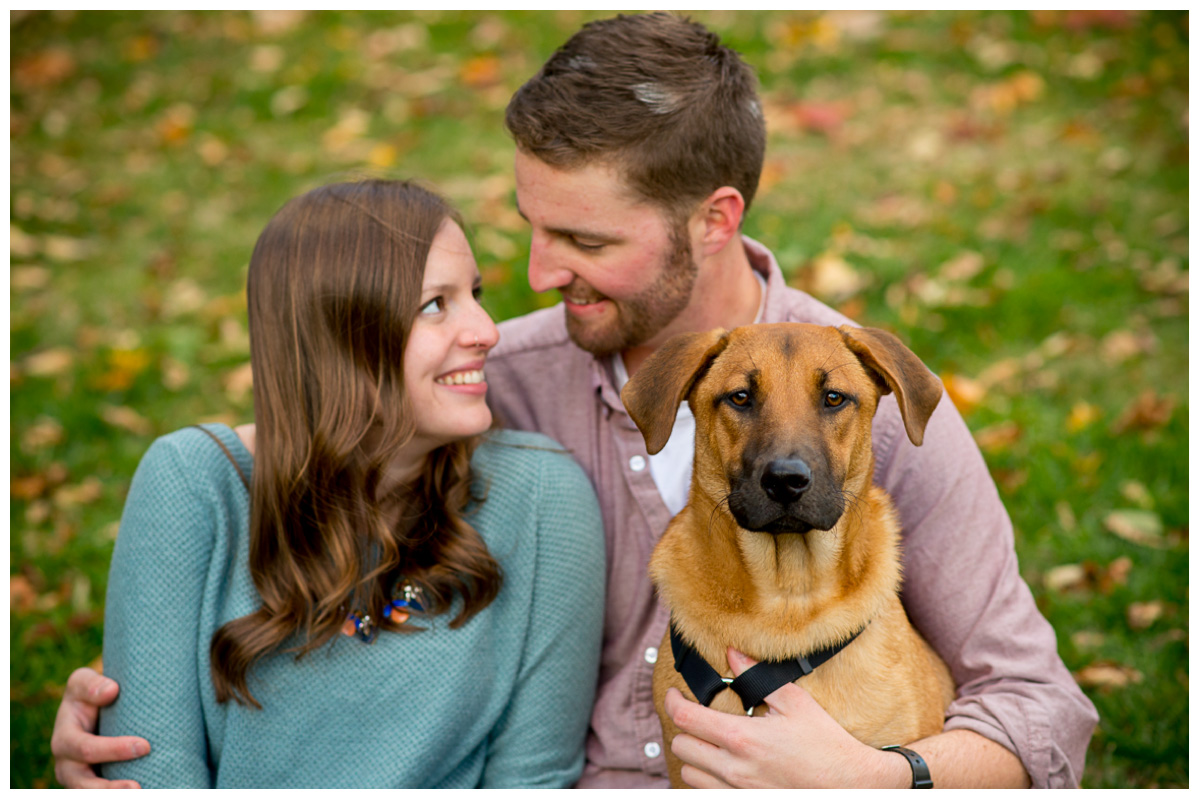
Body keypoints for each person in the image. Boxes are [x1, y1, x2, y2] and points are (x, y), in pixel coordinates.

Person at [52, 13, 1097, 789]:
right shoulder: (492, 380)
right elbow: (307, 466)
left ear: (714, 218)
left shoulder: (856, 404)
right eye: (531, 225)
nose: (543, 273)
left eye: (589, 242)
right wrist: (132, 709)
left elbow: (1041, 708)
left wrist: (885, 776)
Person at [82, 179, 605, 788]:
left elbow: (532, 780)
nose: (488, 330)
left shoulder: (541, 497)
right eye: (435, 304)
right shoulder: (195, 485)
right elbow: (148, 767)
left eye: (475, 294)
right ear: (341, 334)